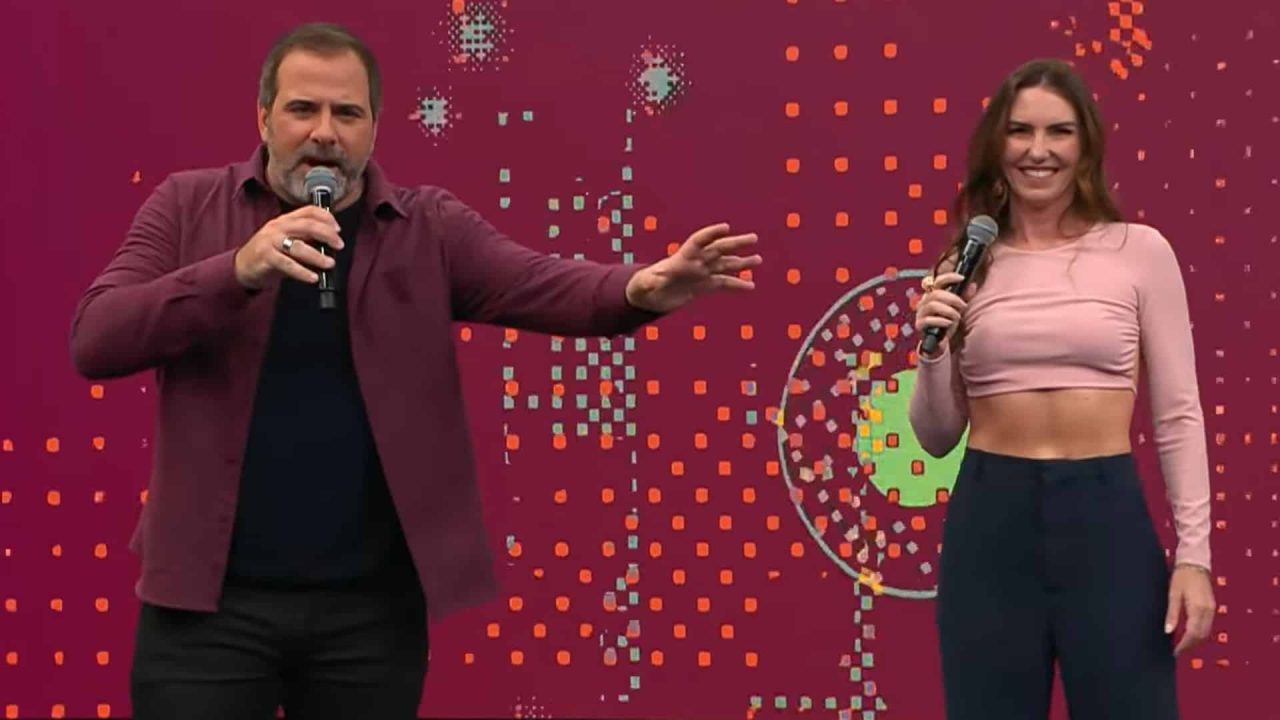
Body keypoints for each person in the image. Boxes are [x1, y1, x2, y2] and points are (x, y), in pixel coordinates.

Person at [68, 21, 760, 720]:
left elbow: (540, 282)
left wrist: (638, 288)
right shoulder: (188, 206)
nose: (325, 133)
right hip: (206, 612)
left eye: (347, 113)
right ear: (263, 117)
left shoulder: (427, 227)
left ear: (374, 127)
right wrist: (237, 269)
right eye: (303, 109)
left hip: (368, 618)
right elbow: (96, 338)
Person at [907, 58, 1215, 719]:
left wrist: (1195, 557)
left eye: (1058, 132)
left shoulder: (1140, 251)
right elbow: (934, 439)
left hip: (1106, 520)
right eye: (1019, 131)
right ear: (997, 145)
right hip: (990, 522)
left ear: (1087, 145)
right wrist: (930, 353)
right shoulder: (965, 262)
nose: (1037, 151)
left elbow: (1178, 416)